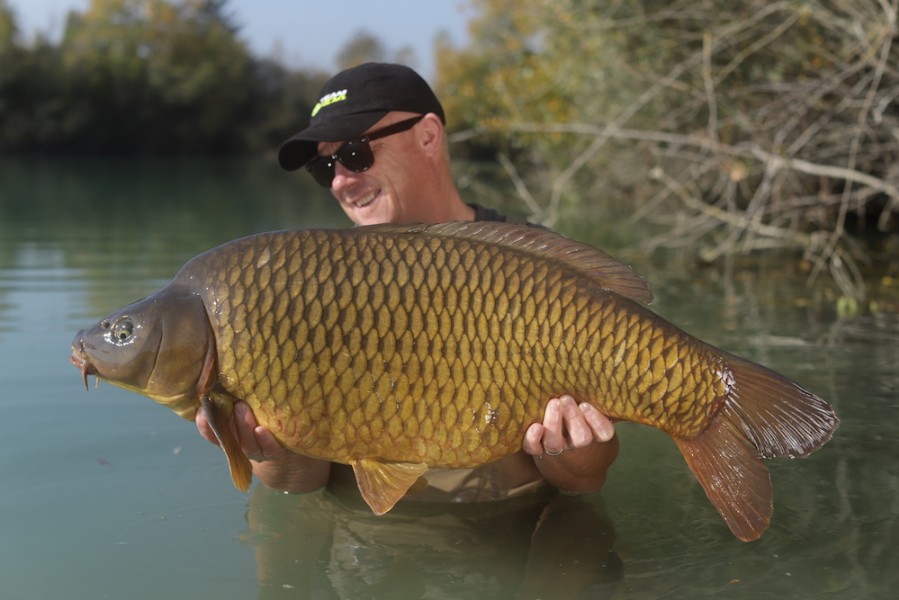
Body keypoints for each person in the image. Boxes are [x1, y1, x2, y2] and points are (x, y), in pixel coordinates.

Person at [196, 62, 619, 503]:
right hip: (364, 544)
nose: (341, 180)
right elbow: (297, 483)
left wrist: (565, 450)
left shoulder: (540, 269)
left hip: (513, 528)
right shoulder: (311, 285)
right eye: (324, 168)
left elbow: (584, 481)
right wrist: (261, 447)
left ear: (428, 135)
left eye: (356, 153)